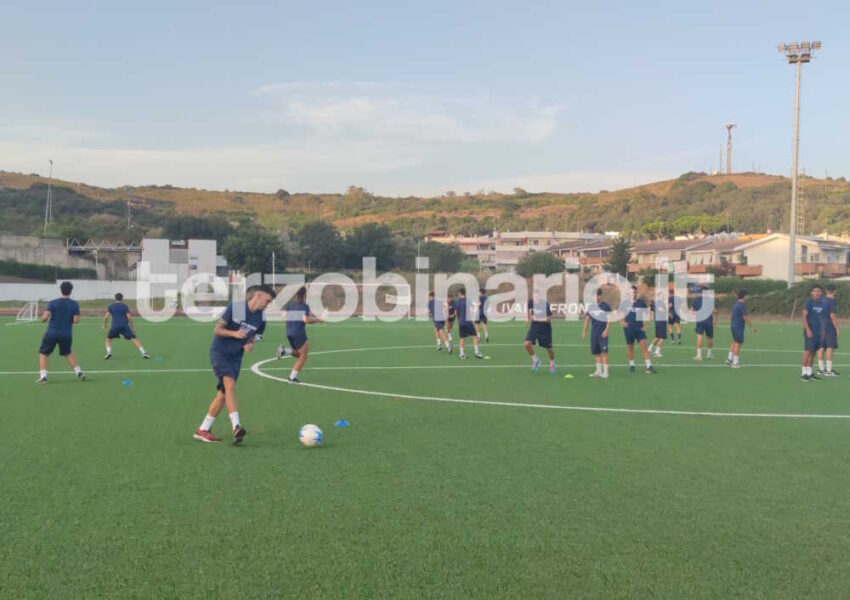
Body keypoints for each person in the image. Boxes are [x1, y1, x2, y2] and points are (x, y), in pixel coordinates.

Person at [194, 285, 276, 444]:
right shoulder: (237, 308)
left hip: (236, 357)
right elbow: (217, 329)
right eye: (267, 301)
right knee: (230, 385)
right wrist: (234, 333)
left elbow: (253, 337)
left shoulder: (261, 318)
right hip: (220, 352)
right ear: (257, 296)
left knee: (224, 393)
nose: (268, 304)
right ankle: (236, 427)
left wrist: (250, 344)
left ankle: (203, 429)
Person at [36, 281, 85, 384]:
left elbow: (44, 318)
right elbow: (76, 320)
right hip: (66, 334)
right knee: (68, 353)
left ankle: (43, 376)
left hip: (52, 333)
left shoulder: (53, 303)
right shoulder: (74, 304)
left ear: (61, 290)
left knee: (44, 354)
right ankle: (79, 372)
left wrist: (43, 318)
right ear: (71, 291)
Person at [276, 286, 324, 383]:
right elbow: (306, 319)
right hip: (298, 333)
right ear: (305, 295)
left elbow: (283, 315)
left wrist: (318, 317)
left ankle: (284, 351)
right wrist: (319, 320)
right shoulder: (304, 306)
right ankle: (292, 378)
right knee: (303, 356)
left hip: (289, 332)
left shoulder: (291, 305)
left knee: (299, 354)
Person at [620, 286, 656, 374]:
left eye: (634, 292)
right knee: (630, 347)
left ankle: (649, 366)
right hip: (629, 329)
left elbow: (647, 314)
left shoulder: (641, 303)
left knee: (644, 346)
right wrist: (622, 322)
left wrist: (646, 325)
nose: (633, 293)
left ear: (637, 293)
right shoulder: (624, 303)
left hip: (639, 329)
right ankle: (632, 365)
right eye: (631, 292)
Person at [102, 293, 149, 359]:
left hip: (115, 326)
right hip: (124, 326)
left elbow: (106, 317)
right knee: (134, 339)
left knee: (108, 340)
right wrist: (132, 327)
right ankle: (144, 353)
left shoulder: (111, 306)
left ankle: (108, 352)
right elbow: (129, 317)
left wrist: (104, 325)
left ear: (115, 298)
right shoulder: (125, 306)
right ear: (122, 299)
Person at [582, 287, 611, 379]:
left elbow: (609, 319)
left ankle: (605, 373)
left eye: (597, 295)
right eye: (594, 296)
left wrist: (606, 330)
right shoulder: (591, 307)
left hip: (602, 333)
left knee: (604, 353)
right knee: (597, 353)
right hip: (594, 333)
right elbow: (587, 319)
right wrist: (584, 331)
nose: (596, 297)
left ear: (600, 296)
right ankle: (598, 371)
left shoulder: (605, 306)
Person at [524, 291, 555, 374]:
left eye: (537, 297)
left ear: (540, 297)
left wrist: (537, 319)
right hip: (534, 326)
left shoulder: (545, 304)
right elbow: (528, 308)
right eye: (534, 297)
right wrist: (527, 317)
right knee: (527, 344)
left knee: (549, 350)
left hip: (545, 328)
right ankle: (535, 360)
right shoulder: (531, 302)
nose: (535, 299)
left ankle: (552, 362)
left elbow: (548, 319)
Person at [801, 284, 825, 382]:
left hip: (819, 332)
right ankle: (803, 373)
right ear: (812, 293)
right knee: (807, 351)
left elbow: (823, 318)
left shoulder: (822, 304)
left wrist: (823, 331)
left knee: (814, 352)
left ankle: (810, 373)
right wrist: (808, 330)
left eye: (819, 291)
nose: (817, 293)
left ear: (821, 293)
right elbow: (804, 317)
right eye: (815, 291)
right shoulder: (809, 302)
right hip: (810, 332)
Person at [728, 289, 756, 369]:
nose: (748, 297)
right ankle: (735, 363)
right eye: (747, 295)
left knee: (734, 342)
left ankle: (729, 359)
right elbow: (745, 317)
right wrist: (752, 327)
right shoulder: (741, 305)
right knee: (738, 343)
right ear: (744, 296)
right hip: (738, 327)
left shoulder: (735, 304)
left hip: (733, 326)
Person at [818, 284, 840, 376]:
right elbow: (832, 316)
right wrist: (837, 328)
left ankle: (821, 369)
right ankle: (829, 370)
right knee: (830, 347)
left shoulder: (821, 300)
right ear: (835, 291)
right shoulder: (831, 301)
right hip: (829, 327)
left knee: (821, 347)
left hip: (820, 326)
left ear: (826, 291)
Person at [456, 289, 482, 359]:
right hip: (468, 322)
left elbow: (456, 313)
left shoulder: (457, 302)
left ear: (459, 293)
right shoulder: (468, 300)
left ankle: (461, 354)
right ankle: (476, 352)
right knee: (474, 335)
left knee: (462, 338)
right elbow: (471, 311)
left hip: (461, 322)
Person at [693, 287, 715, 360]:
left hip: (700, 320)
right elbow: (714, 311)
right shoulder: (710, 300)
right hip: (709, 321)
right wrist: (715, 320)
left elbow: (692, 311)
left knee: (699, 336)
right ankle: (709, 354)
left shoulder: (696, 300)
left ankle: (699, 355)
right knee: (710, 337)